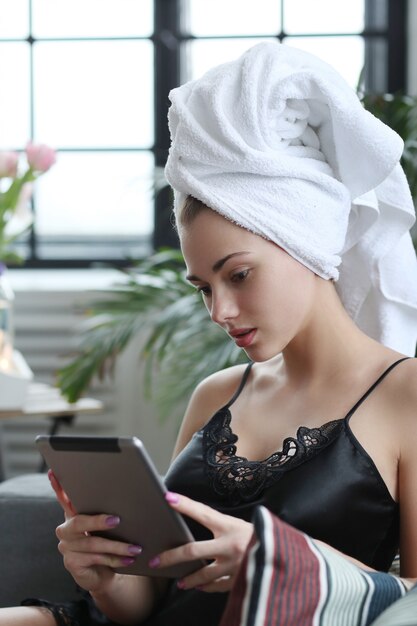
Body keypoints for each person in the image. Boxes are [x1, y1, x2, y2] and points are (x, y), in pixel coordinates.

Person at [1, 41, 417, 626]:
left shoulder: (406, 396)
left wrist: (284, 565)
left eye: (239, 275)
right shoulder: (217, 394)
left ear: (307, 244)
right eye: (203, 286)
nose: (219, 310)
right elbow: (150, 599)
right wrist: (104, 577)